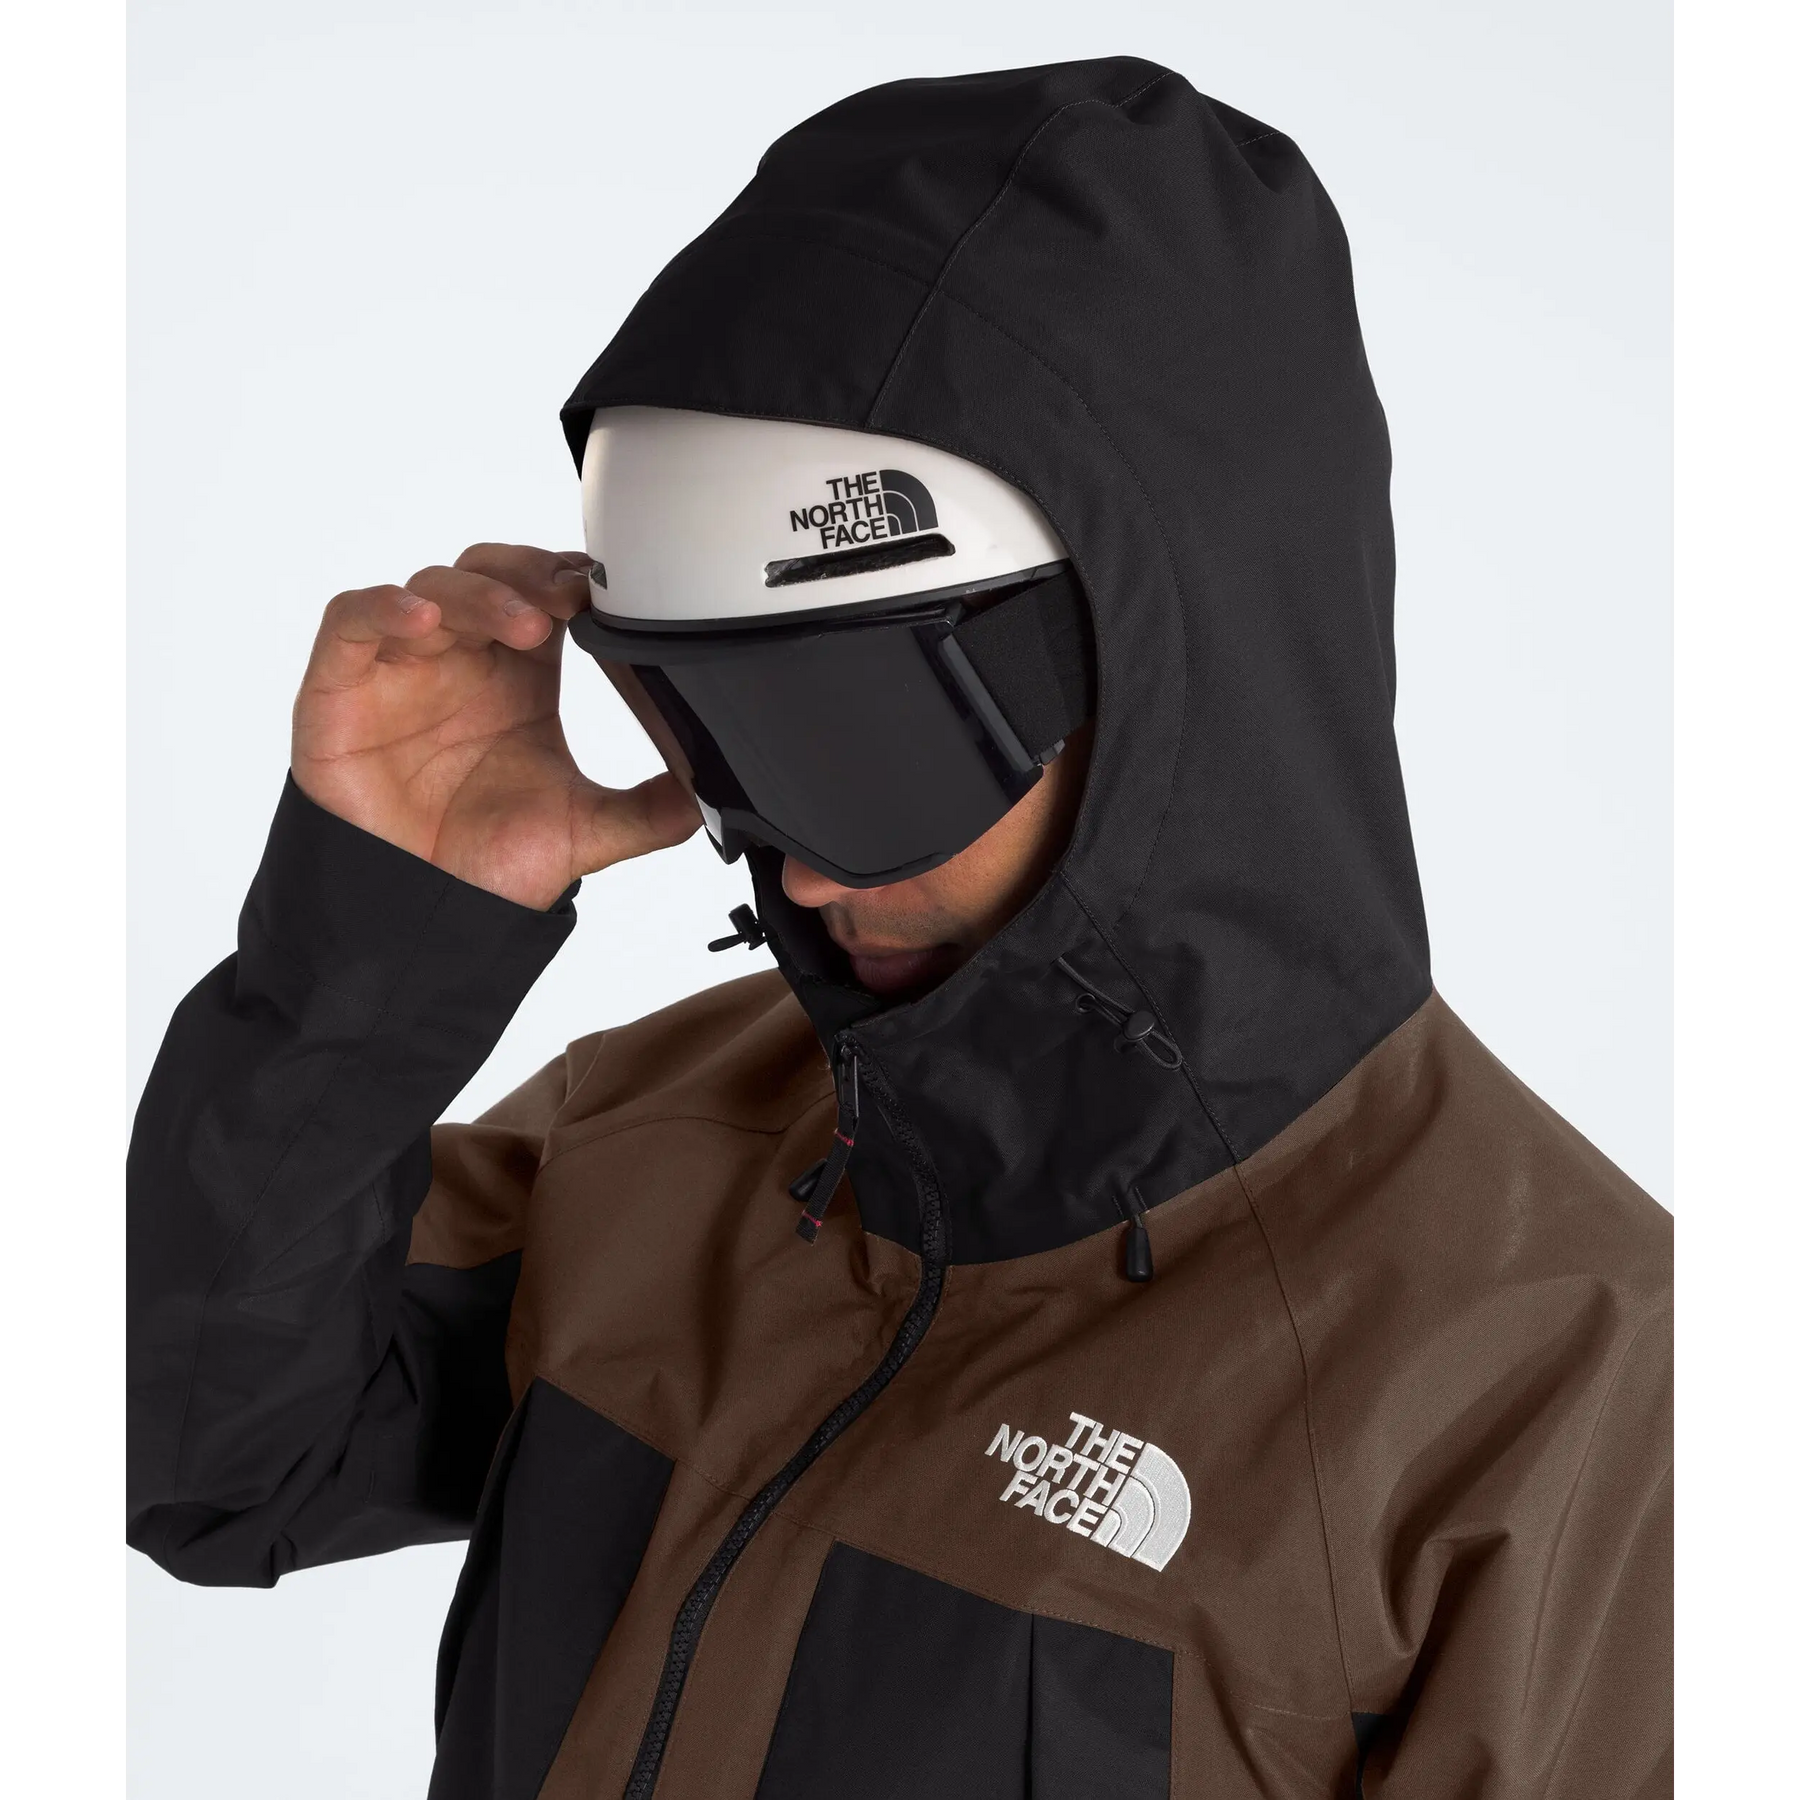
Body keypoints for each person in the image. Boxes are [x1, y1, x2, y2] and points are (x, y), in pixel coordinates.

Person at [123, 56, 1674, 1800]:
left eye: (850, 744)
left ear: (1171, 677)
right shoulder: (659, 1131)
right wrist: (375, 939)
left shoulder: (1563, 1380)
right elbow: (207, 1464)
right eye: (704, 727)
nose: (790, 870)